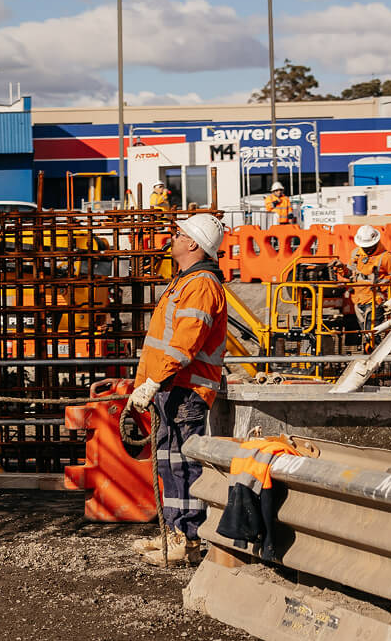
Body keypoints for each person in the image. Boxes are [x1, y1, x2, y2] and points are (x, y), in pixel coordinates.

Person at [128, 213, 228, 566]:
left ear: (193, 244)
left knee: (183, 465)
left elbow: (184, 344)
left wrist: (155, 381)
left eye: (179, 233)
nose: (173, 237)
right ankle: (173, 534)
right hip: (171, 387)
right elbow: (159, 343)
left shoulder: (200, 285)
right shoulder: (184, 282)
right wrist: (145, 384)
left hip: (186, 389)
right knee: (171, 463)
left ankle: (187, 539)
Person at [342, 225, 391, 327]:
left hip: (376, 301)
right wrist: (341, 268)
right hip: (358, 301)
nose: (367, 249)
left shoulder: (385, 257)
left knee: (372, 334)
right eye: (365, 247)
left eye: (369, 246)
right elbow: (349, 274)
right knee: (364, 333)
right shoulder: (356, 254)